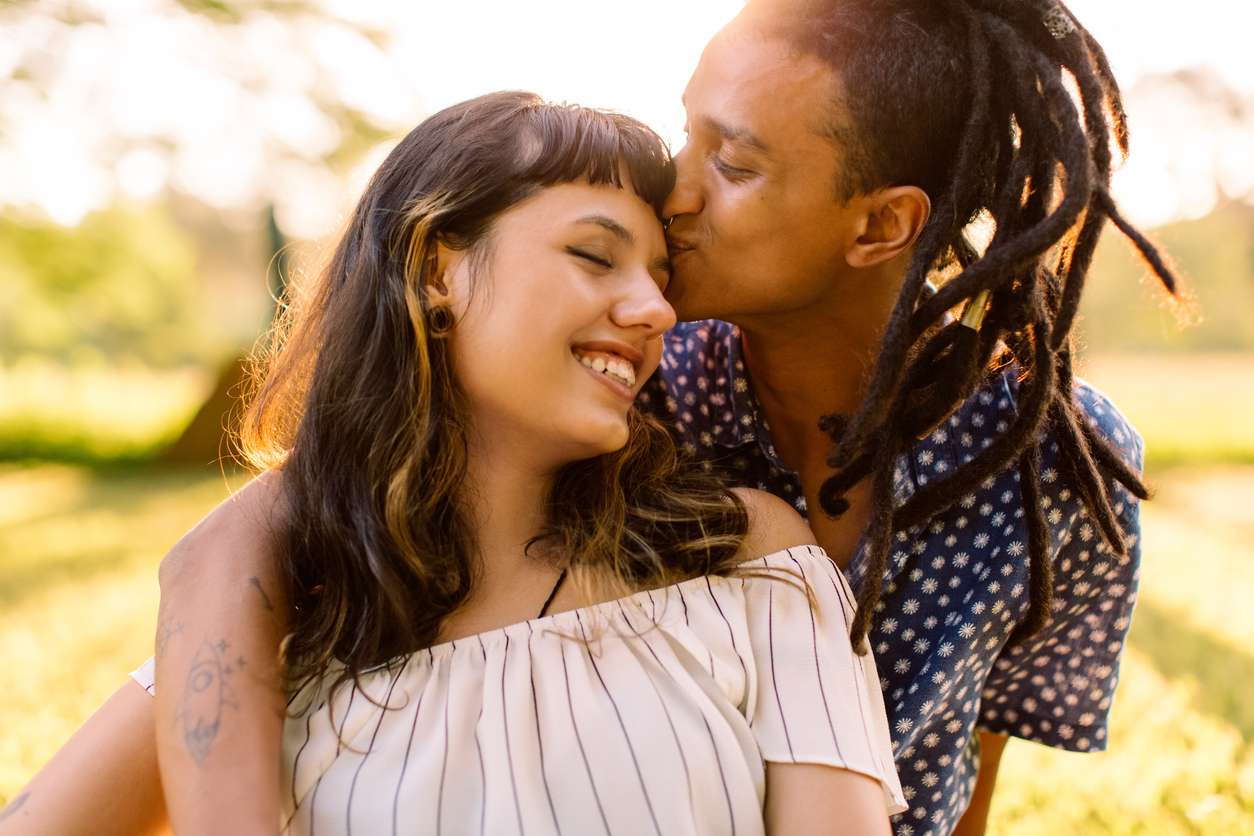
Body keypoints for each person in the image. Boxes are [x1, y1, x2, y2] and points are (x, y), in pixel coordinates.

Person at [0, 91, 905, 836]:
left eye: (661, 280)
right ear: (437, 269)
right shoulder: (288, 620)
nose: (655, 310)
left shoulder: (748, 563)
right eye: (595, 255)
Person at [646, 1, 1177, 834]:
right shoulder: (633, 398)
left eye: (733, 165)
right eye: (684, 133)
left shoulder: (1054, 468)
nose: (672, 190)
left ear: (883, 224)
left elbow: (972, 773)